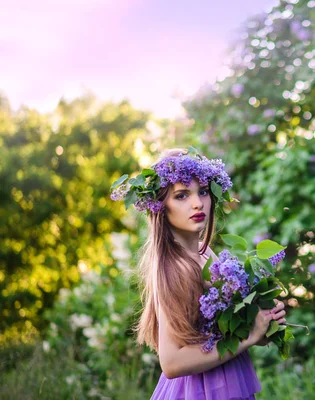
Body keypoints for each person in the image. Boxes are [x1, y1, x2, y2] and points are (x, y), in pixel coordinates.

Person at [115, 148, 286, 399]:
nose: (197, 203)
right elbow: (172, 363)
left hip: (224, 382)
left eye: (203, 191)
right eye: (182, 195)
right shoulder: (177, 268)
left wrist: (260, 324)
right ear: (161, 206)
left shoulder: (206, 256)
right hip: (198, 391)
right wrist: (248, 338)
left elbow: (220, 332)